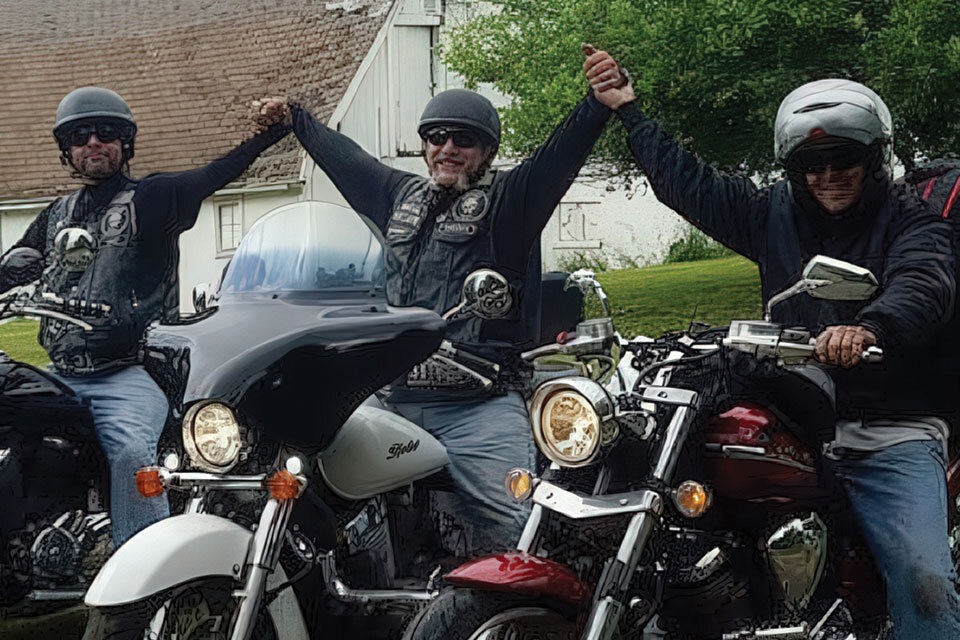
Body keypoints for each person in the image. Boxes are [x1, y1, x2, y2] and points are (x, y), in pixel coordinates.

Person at [586, 55, 960, 637]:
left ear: (873, 159)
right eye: (812, 164)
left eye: (844, 160)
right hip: (796, 414)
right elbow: (693, 186)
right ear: (793, 170)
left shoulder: (914, 221)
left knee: (924, 583)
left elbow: (924, 283)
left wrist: (869, 328)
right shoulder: (772, 215)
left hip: (889, 428)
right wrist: (630, 114)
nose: (829, 174)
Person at [252, 54, 619, 553]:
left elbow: (557, 159)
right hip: (391, 399)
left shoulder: (511, 201)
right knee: (311, 496)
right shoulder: (398, 195)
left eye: (462, 140)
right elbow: (345, 159)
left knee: (514, 534)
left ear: (486, 150)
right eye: (436, 137)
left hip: (479, 408)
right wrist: (297, 118)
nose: (447, 149)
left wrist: (596, 105)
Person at [0, 87, 290, 546]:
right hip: (64, 371)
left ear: (125, 144)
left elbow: (217, 173)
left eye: (106, 133)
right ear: (67, 150)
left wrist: (273, 133)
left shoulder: (153, 199)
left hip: (130, 371)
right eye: (80, 135)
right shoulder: (57, 215)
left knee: (131, 450)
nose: (93, 142)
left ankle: (145, 572)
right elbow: (17, 264)